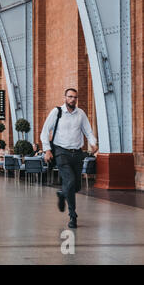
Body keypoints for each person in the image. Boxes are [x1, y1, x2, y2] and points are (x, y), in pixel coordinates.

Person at [40, 88, 98, 229]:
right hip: (61, 152)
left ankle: (62, 193)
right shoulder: (57, 112)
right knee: (70, 180)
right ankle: (73, 216)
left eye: (75, 97)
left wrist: (93, 142)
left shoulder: (81, 114)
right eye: (70, 97)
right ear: (65, 97)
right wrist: (47, 150)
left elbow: (88, 131)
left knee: (76, 186)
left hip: (77, 153)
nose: (72, 99)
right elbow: (44, 131)